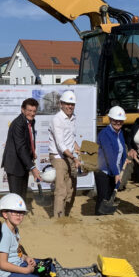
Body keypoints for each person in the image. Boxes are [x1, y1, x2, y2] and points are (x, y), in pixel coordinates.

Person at [48, 90, 81, 218]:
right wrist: (74, 158)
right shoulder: (57, 119)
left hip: (69, 156)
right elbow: (61, 145)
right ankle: (58, 218)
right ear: (61, 104)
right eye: (67, 104)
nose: (70, 106)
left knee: (71, 189)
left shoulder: (73, 118)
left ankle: (66, 215)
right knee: (61, 190)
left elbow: (70, 138)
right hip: (59, 158)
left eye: (72, 104)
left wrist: (79, 149)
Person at [1, 98, 42, 198]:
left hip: (23, 164)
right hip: (15, 165)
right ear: (22, 110)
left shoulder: (30, 121)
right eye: (29, 110)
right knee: (16, 197)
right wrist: (32, 167)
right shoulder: (19, 123)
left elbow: (28, 140)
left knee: (22, 196)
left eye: (34, 111)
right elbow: (21, 147)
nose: (32, 113)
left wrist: (32, 152)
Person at [95, 106, 127, 215]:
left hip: (113, 171)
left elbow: (122, 150)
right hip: (103, 171)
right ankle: (98, 218)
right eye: (115, 120)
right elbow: (109, 156)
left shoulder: (120, 133)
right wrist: (117, 173)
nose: (118, 122)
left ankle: (107, 219)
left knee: (109, 197)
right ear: (110, 119)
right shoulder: (105, 133)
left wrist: (124, 161)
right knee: (103, 198)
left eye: (120, 120)